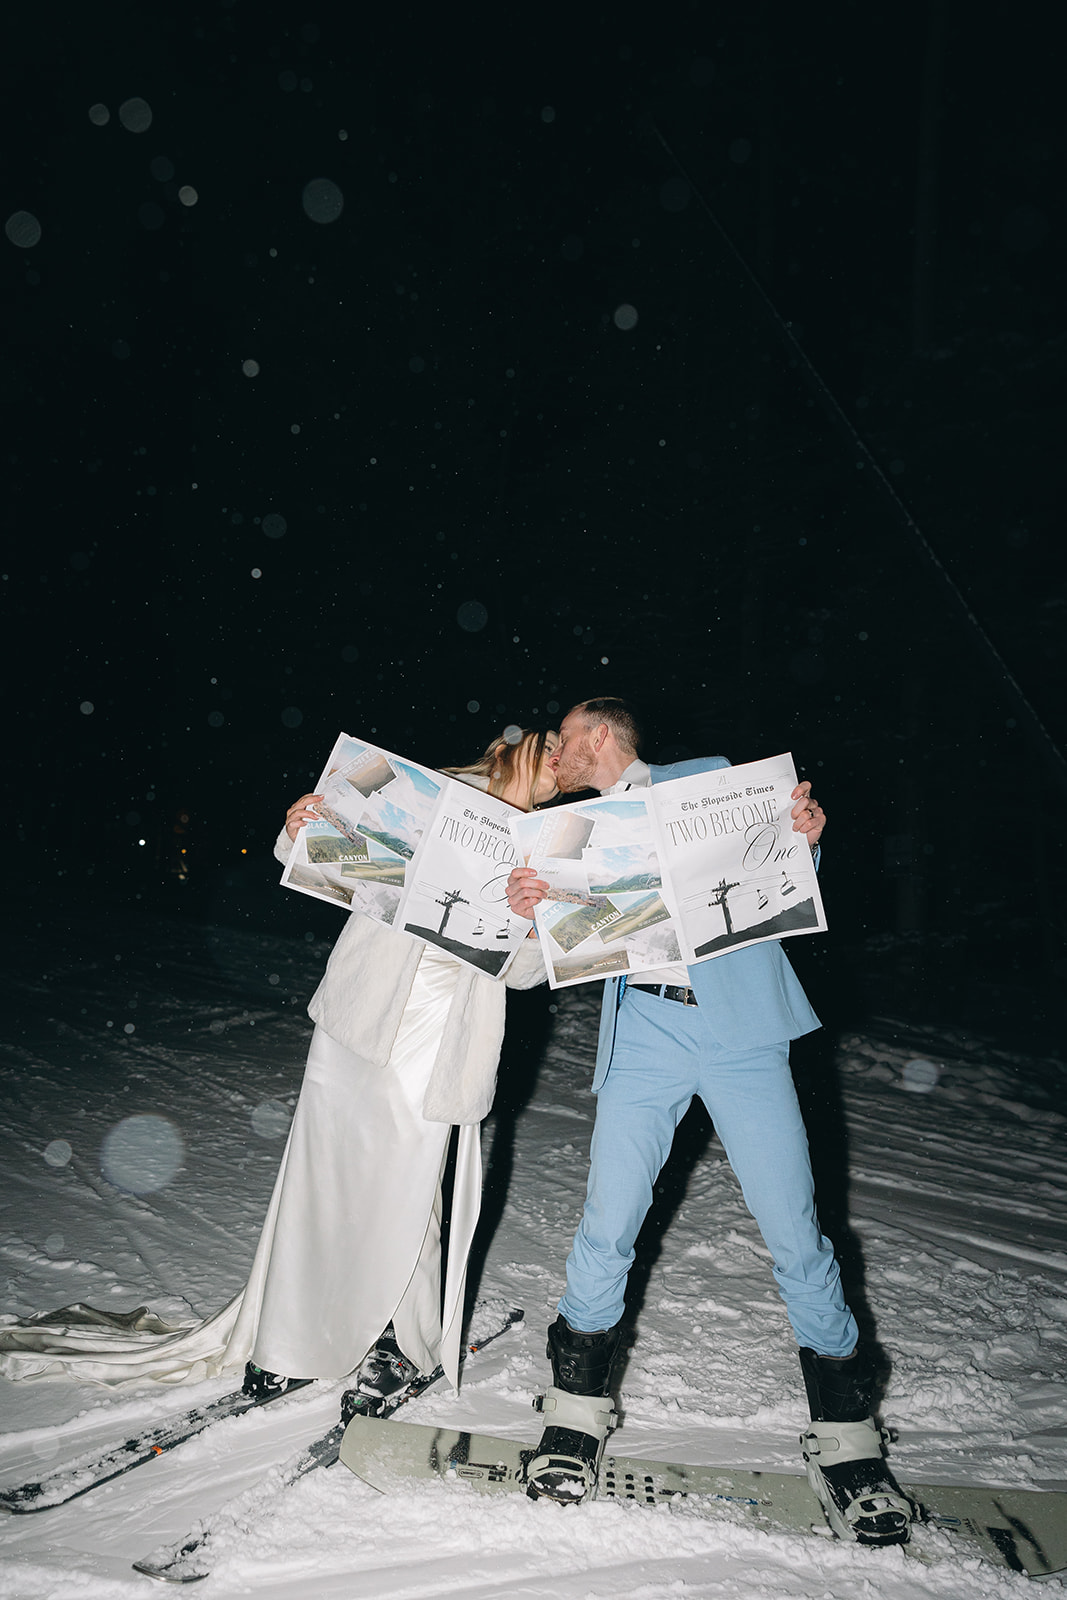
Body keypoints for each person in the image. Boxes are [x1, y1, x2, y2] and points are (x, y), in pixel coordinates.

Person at [0, 727, 557, 1399]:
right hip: (362, 1008)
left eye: (568, 761)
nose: (559, 757)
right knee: (323, 1174)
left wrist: (530, 922)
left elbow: (526, 974)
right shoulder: (425, 789)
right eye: (552, 740)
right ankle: (291, 1335)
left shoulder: (548, 847)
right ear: (517, 741)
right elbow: (329, 865)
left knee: (407, 1183)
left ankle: (390, 1335)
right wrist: (300, 829)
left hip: (443, 1031)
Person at [505, 698, 912, 1547]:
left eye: (564, 738)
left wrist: (806, 833)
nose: (554, 753)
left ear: (602, 736)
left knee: (795, 1232)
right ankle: (575, 1415)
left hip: (742, 1033)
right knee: (606, 1222)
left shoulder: (705, 783)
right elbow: (554, 933)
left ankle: (846, 1442)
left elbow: (780, 858)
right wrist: (529, 900)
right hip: (645, 1033)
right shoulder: (568, 828)